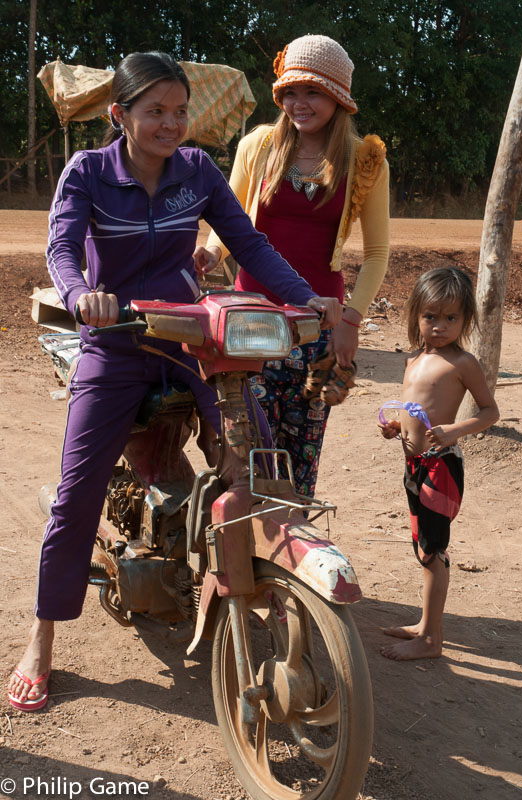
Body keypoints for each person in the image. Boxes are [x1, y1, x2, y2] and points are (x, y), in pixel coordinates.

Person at [7, 51, 341, 711]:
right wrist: (81, 297)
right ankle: (41, 638)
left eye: (179, 111)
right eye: (154, 111)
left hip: (192, 334)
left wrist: (308, 298)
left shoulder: (196, 171)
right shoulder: (89, 172)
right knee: (77, 492)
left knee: (257, 455)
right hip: (120, 336)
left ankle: (264, 586)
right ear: (119, 115)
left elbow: (247, 243)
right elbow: (62, 249)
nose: (170, 123)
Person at [194, 34, 390, 497]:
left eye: (313, 92)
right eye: (290, 92)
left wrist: (352, 321)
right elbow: (231, 220)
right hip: (248, 322)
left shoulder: (364, 160)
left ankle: (292, 544)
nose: (299, 103)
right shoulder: (258, 146)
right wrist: (211, 251)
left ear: (338, 98)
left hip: (318, 324)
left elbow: (378, 253)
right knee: (248, 445)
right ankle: (241, 548)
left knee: (302, 449)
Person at [378, 268, 499, 660]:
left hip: (440, 467)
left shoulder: (463, 363)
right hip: (414, 466)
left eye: (452, 318)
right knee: (422, 548)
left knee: (433, 552)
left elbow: (489, 411)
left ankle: (431, 640)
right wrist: (396, 427)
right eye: (431, 317)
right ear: (416, 315)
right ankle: (425, 623)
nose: (441, 326)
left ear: (466, 319)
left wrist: (453, 431)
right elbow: (414, 413)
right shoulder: (414, 361)